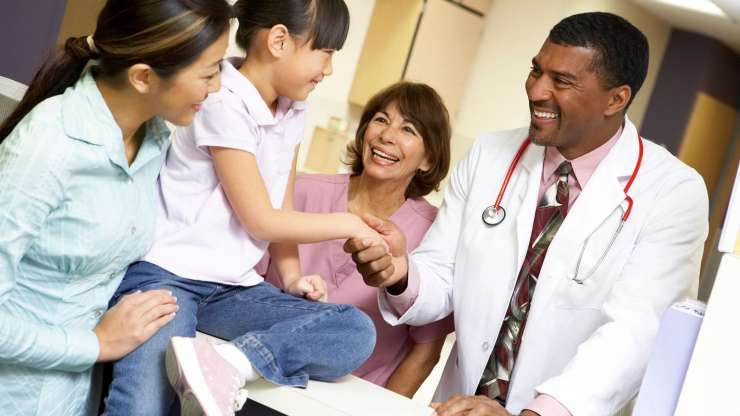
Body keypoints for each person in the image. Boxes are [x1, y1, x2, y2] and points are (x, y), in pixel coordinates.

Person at [345, 12, 708, 416]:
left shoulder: (673, 191)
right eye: (536, 70)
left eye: (562, 81)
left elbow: (635, 333)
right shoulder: (488, 155)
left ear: (616, 99)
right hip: (457, 406)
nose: (536, 91)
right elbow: (442, 274)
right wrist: (401, 275)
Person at [102, 1, 379, 415]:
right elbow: (260, 219)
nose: (330, 68)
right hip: (168, 276)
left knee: (353, 329)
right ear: (280, 41)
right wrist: (350, 223)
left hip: (232, 288)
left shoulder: (293, 109)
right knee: (143, 404)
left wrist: (291, 277)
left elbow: (278, 207)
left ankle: (230, 363)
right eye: (326, 51)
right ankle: (224, 364)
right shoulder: (221, 101)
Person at [0, 0, 232, 415]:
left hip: (76, 398)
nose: (216, 87)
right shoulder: (49, 146)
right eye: (208, 72)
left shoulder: (157, 138)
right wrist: (96, 343)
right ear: (144, 77)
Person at [261, 82, 454, 397]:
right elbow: (245, 280)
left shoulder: (436, 234)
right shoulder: (299, 192)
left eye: (408, 129)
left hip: (345, 403)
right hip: (261, 382)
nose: (386, 135)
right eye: (380, 119)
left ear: (428, 160)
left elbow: (425, 353)